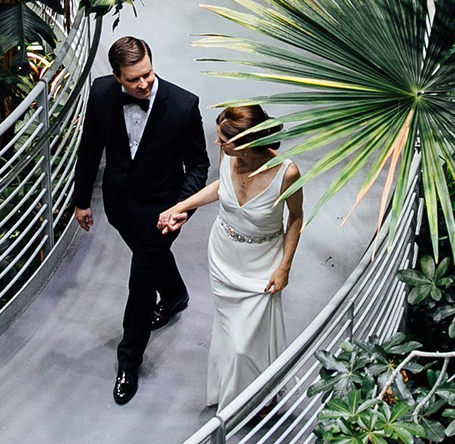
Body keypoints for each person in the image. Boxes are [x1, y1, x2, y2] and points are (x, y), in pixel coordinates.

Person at [72, 37, 210, 405]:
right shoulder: (101, 93)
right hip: (119, 206)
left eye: (147, 74)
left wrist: (180, 208)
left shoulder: (183, 104)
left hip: (161, 211)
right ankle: (177, 295)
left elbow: (198, 167)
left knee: (140, 284)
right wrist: (81, 200)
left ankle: (128, 361)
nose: (144, 84)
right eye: (133, 80)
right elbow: (90, 147)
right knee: (151, 263)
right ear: (117, 77)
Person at [157, 104, 303, 410]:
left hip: (262, 265)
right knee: (228, 335)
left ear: (246, 142)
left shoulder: (287, 173)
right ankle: (232, 392)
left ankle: (252, 399)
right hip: (223, 257)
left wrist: (284, 267)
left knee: (245, 343)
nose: (217, 144)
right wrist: (180, 207)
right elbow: (221, 186)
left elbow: (295, 219)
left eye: (223, 140)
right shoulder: (230, 156)